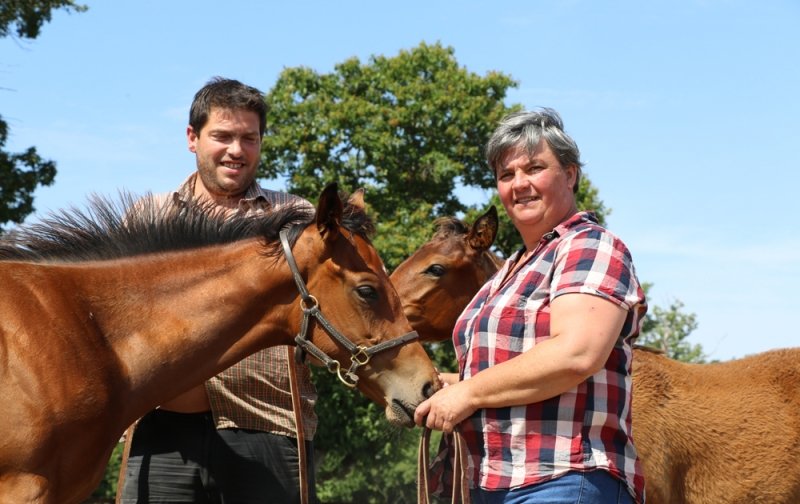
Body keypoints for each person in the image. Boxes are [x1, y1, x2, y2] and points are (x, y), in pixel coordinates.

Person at [414, 109, 647, 504]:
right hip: (490, 485)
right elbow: (497, 373)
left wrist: (467, 394)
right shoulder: (507, 272)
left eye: (534, 168)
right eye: (506, 175)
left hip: (562, 478)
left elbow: (576, 353)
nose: (519, 184)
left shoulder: (589, 245)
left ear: (570, 174)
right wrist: (437, 386)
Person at [119, 77, 318, 504]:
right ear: (192, 138)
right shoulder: (148, 218)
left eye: (249, 138)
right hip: (159, 427)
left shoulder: (296, 217)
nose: (236, 150)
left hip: (269, 423)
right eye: (222, 136)